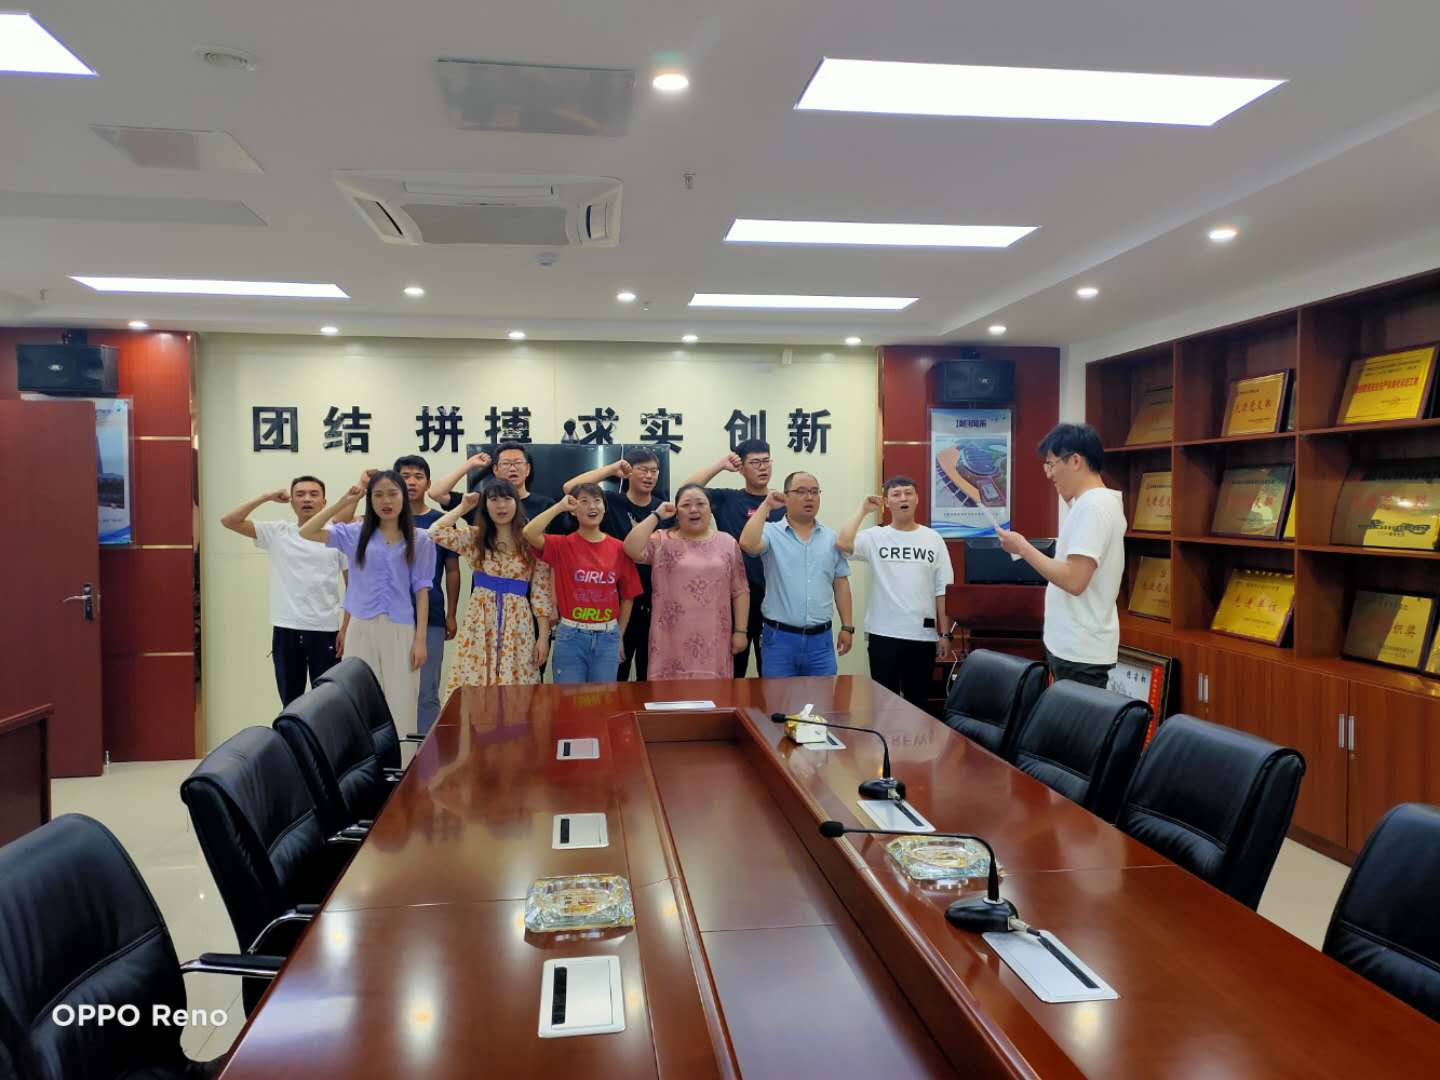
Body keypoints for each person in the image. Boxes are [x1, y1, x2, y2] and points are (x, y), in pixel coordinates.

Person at [299, 469, 437, 733]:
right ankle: (364, 757)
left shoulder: (420, 539)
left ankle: (403, 757)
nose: (386, 501)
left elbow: (422, 591)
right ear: (369, 499)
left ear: (403, 497)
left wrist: (420, 640)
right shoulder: (355, 533)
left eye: (393, 494)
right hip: (360, 626)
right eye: (378, 495)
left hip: (400, 627)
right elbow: (307, 531)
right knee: (357, 697)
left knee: (403, 698)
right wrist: (343, 501)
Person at [997, 423, 1126, 688]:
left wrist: (1023, 548)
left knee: (1077, 716)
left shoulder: (1094, 507)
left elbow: (1074, 580)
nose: (1049, 473)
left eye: (1051, 464)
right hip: (1074, 645)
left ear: (1076, 461)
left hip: (1080, 650)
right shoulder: (1092, 503)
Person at [219, 476, 348, 705]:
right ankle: (292, 732)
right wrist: (266, 497)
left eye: (313, 494)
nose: (307, 499)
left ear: (324, 502)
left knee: (328, 702)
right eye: (300, 494)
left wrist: (346, 629)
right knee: (290, 701)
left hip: (326, 629)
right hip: (286, 629)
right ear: (292, 502)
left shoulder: (336, 536)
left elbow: (353, 586)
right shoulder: (278, 531)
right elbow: (229, 521)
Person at [427, 479, 555, 696]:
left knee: (517, 683)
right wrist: (463, 507)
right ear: (485, 505)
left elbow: (540, 594)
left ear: (516, 502)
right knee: (475, 678)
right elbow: (435, 532)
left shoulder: (530, 541)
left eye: (506, 498)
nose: (501, 505)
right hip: (480, 620)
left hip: (518, 623)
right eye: (494, 499)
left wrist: (543, 638)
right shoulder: (475, 537)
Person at [837, 477, 955, 710]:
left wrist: (945, 634)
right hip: (883, 634)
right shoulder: (875, 536)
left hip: (922, 636)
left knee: (917, 705)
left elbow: (943, 589)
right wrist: (863, 510)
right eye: (896, 494)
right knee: (884, 706)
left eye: (908, 493)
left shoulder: (933, 539)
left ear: (917, 499)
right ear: (887, 502)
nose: (903, 498)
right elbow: (842, 543)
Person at [563, 447, 673, 680]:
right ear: (629, 472)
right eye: (643, 470)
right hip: (616, 603)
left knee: (650, 677)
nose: (649, 476)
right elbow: (570, 489)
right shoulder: (612, 502)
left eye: (654, 471)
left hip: (655, 602)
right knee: (616, 676)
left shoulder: (664, 509)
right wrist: (613, 469)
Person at [623, 483, 749, 680]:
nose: (693, 509)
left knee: (713, 694)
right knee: (669, 695)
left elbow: (740, 590)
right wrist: (656, 515)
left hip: (715, 638)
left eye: (700, 503)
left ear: (710, 509)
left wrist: (741, 631)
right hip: (669, 639)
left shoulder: (727, 543)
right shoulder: (662, 540)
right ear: (676, 511)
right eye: (686, 505)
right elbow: (630, 548)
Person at [738, 470, 854, 677]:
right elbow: (747, 544)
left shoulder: (830, 538)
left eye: (814, 492)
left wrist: (847, 626)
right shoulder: (771, 532)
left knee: (822, 697)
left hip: (821, 641)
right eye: (801, 491)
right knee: (777, 697)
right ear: (786, 496)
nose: (809, 497)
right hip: (780, 639)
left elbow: (841, 582)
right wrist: (766, 505)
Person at [522, 483, 641, 684]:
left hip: (607, 637)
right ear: (573, 510)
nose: (592, 506)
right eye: (584, 501)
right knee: (569, 698)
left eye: (597, 501)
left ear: (604, 507)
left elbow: (629, 596)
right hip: (571, 636)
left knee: (602, 698)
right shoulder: (562, 545)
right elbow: (529, 532)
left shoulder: (619, 549)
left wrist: (619, 635)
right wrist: (559, 507)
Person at [685, 439, 784, 675]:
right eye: (755, 462)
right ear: (741, 469)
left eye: (766, 461)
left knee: (772, 673)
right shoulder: (727, 499)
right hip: (734, 599)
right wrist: (720, 465)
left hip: (774, 598)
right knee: (733, 671)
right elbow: (688, 489)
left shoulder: (781, 503)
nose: (763, 467)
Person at [395, 455, 460, 733]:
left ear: (428, 483)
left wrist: (451, 614)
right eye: (405, 476)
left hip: (432, 615)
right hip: (391, 616)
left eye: (418, 476)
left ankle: (425, 750)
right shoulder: (385, 519)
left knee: (427, 690)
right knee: (392, 688)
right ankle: (395, 750)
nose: (411, 482)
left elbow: (452, 570)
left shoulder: (441, 521)